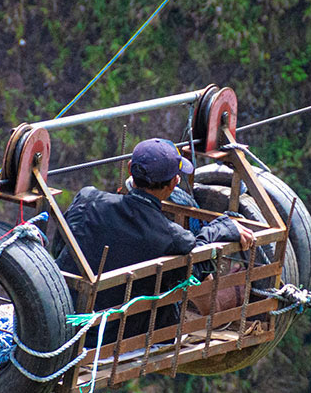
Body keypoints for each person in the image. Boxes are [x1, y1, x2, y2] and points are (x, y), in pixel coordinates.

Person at [57, 138, 254, 337]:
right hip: (114, 335)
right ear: (174, 183)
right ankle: (218, 309)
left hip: (61, 317)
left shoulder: (88, 200)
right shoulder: (171, 236)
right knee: (189, 270)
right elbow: (196, 267)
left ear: (129, 169)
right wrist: (221, 228)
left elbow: (62, 244)